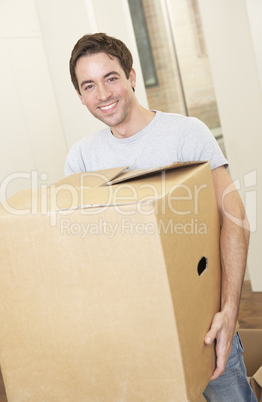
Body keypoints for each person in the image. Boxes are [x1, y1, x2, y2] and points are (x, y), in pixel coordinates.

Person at [65, 33, 255, 401]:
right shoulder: (82, 158)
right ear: (80, 95)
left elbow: (235, 219)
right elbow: (82, 251)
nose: (103, 94)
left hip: (204, 324)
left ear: (131, 76)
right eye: (89, 85)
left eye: (111, 78)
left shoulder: (186, 134)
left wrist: (230, 310)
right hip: (133, 331)